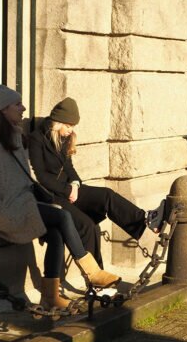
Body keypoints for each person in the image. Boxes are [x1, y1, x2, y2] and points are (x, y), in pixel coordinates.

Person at [0, 85, 120, 311]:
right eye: (17, 104)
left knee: (57, 235)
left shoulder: (16, 135)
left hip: (24, 203)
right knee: (63, 217)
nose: (23, 108)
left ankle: (50, 297)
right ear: (3, 109)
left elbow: (24, 177)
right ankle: (92, 271)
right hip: (7, 210)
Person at [28, 97, 163, 268]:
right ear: (57, 122)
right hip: (52, 196)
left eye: (73, 126)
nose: (71, 130)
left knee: (107, 195)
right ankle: (97, 277)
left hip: (70, 189)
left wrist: (75, 184)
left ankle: (146, 219)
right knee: (88, 227)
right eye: (68, 126)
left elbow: (69, 168)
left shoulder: (65, 138)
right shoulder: (36, 139)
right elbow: (41, 176)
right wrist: (67, 190)